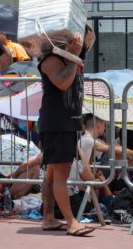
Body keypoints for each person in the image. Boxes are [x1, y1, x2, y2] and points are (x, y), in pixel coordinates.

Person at [38, 31, 95, 236]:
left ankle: (49, 218)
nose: (77, 41)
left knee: (53, 173)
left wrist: (81, 49)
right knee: (61, 173)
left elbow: (86, 45)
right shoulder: (50, 60)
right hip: (56, 123)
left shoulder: (71, 57)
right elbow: (62, 83)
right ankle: (71, 222)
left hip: (67, 123)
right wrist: (73, 55)